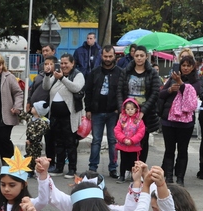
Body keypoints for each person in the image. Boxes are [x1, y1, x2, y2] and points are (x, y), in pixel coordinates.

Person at [157, 55, 201, 186]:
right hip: (168, 120)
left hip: (186, 122)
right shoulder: (172, 78)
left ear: (193, 67)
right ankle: (169, 178)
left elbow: (192, 95)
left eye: (188, 65)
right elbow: (161, 94)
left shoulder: (196, 81)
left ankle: (180, 179)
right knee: (169, 149)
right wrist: (170, 89)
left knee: (182, 150)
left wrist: (181, 84)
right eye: (183, 65)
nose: (186, 68)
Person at [117, 45, 161, 163]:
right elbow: (120, 91)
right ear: (133, 56)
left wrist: (143, 111)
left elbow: (155, 93)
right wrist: (122, 110)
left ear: (146, 56)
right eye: (137, 55)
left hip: (144, 113)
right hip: (127, 111)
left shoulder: (152, 72)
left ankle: (140, 167)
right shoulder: (126, 71)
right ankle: (125, 169)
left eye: (142, 56)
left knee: (142, 141)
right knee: (125, 139)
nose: (139, 58)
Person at [44, 53, 85, 179]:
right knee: (58, 143)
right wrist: (47, 75)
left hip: (69, 116)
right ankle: (59, 167)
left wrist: (62, 78)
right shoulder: (57, 74)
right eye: (61, 63)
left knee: (70, 143)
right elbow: (45, 87)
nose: (63, 65)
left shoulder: (77, 75)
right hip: (55, 116)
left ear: (72, 63)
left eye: (66, 63)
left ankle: (72, 169)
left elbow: (76, 88)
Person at [85, 45, 121, 177]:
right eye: (105, 56)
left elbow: (122, 92)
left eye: (110, 56)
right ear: (101, 56)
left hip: (114, 112)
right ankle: (92, 167)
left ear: (114, 56)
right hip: (96, 111)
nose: (107, 59)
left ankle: (113, 168)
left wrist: (120, 108)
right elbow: (88, 91)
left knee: (113, 140)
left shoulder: (120, 72)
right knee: (96, 140)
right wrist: (87, 108)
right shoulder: (94, 72)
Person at [29, 56, 58, 168]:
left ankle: (51, 161)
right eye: (46, 64)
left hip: (48, 112)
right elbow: (33, 89)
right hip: (36, 111)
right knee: (35, 139)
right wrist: (29, 101)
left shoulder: (56, 77)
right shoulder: (40, 76)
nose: (48, 66)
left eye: (50, 64)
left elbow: (47, 88)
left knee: (49, 139)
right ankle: (34, 162)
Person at [115, 98, 146, 183]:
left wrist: (132, 140)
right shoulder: (122, 119)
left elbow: (140, 132)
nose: (130, 111)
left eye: (132, 109)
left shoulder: (139, 121)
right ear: (124, 109)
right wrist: (123, 139)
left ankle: (134, 177)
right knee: (123, 161)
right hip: (123, 145)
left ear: (136, 109)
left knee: (134, 162)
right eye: (128, 109)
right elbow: (117, 130)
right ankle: (122, 175)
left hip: (134, 146)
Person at [19, 100, 50, 177]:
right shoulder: (31, 118)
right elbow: (25, 116)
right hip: (29, 141)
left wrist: (31, 140)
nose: (32, 108)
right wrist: (18, 112)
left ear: (38, 112)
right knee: (29, 155)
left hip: (35, 143)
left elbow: (39, 133)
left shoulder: (42, 122)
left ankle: (35, 171)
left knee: (35, 157)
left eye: (34, 108)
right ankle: (30, 170)